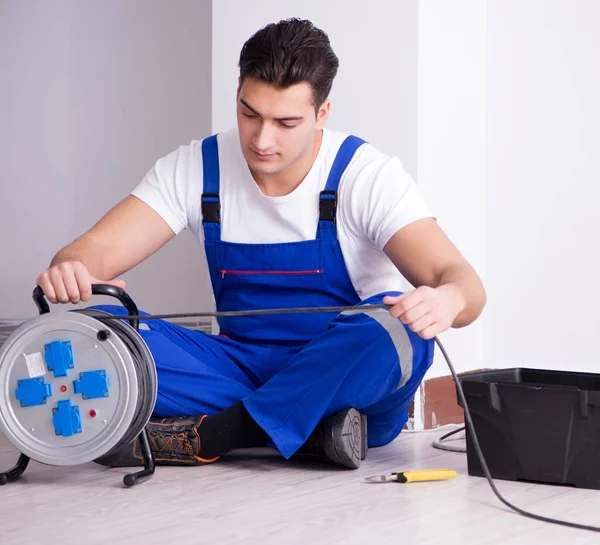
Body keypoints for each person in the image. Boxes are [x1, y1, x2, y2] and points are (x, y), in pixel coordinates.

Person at [36, 18, 486, 469]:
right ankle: (313, 429)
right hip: (235, 367)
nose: (261, 139)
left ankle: (216, 434)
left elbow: (465, 286)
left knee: (399, 329)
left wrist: (446, 300)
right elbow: (91, 252)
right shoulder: (197, 167)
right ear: (237, 92)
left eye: (286, 122)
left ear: (322, 113)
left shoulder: (365, 175)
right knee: (100, 329)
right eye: (249, 113)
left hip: (344, 368)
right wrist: (71, 266)